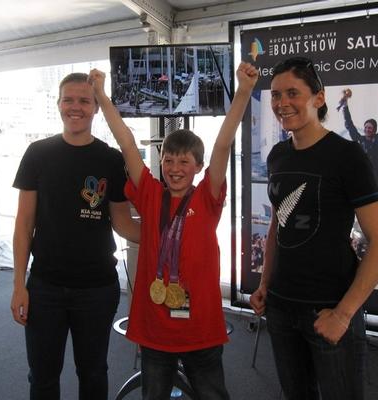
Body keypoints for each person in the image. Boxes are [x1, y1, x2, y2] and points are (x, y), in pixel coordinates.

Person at [89, 61, 258, 400]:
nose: (175, 168)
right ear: (161, 161)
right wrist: (102, 98)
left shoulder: (208, 197)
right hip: (155, 328)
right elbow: (126, 142)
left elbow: (223, 145)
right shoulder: (152, 194)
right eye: (168, 160)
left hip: (200, 327)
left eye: (184, 162)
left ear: (198, 167)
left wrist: (242, 93)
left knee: (211, 394)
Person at [249, 56, 378, 400]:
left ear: (319, 97)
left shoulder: (347, 156)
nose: (282, 103)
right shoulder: (278, 156)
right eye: (275, 95)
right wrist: (265, 284)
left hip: (329, 309)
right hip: (281, 309)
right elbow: (277, 226)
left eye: (292, 93)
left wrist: (344, 315)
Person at [10, 72, 140, 400]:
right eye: (68, 99)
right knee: (42, 376)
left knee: (94, 374)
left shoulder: (110, 159)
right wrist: (18, 286)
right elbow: (24, 224)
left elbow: (122, 223)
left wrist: (168, 237)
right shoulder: (37, 153)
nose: (75, 107)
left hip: (96, 289)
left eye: (84, 100)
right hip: (45, 288)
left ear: (97, 107)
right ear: (58, 104)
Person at [338, 88, 378, 187]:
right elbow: (349, 124)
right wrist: (345, 106)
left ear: (374, 130)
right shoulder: (359, 139)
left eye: (370, 128)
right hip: (361, 177)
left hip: (376, 178)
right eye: (366, 127)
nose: (367, 129)